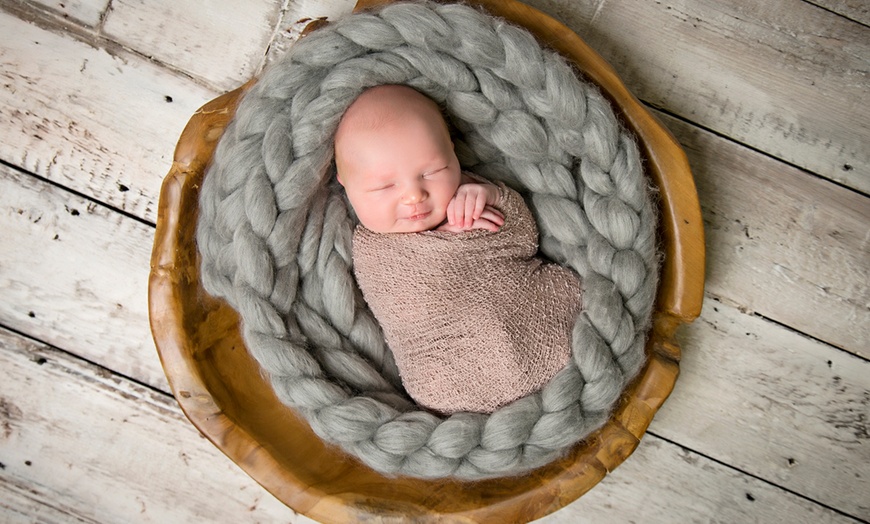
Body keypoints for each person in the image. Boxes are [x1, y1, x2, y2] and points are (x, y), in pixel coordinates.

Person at [336, 85, 583, 414]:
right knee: (436, 384)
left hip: (539, 320)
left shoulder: (470, 190)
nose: (414, 195)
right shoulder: (372, 248)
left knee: (577, 294)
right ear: (346, 186)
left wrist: (494, 197)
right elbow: (404, 305)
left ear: (453, 154)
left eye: (432, 172)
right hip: (453, 376)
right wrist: (444, 245)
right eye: (385, 186)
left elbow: (525, 241)